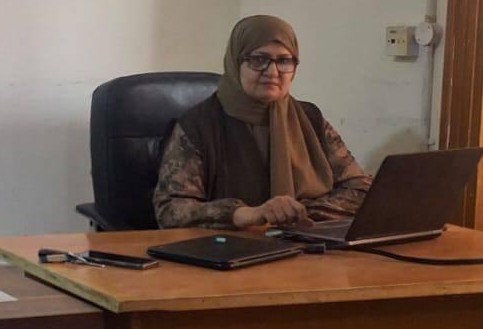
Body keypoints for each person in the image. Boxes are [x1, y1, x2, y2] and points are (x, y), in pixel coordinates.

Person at [155, 15, 372, 230]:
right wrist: (246, 214)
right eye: (259, 60)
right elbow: (171, 210)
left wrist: (295, 212)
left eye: (284, 61)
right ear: (235, 62)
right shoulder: (198, 126)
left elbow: (361, 188)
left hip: (308, 241)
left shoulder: (310, 118)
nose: (272, 72)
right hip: (231, 245)